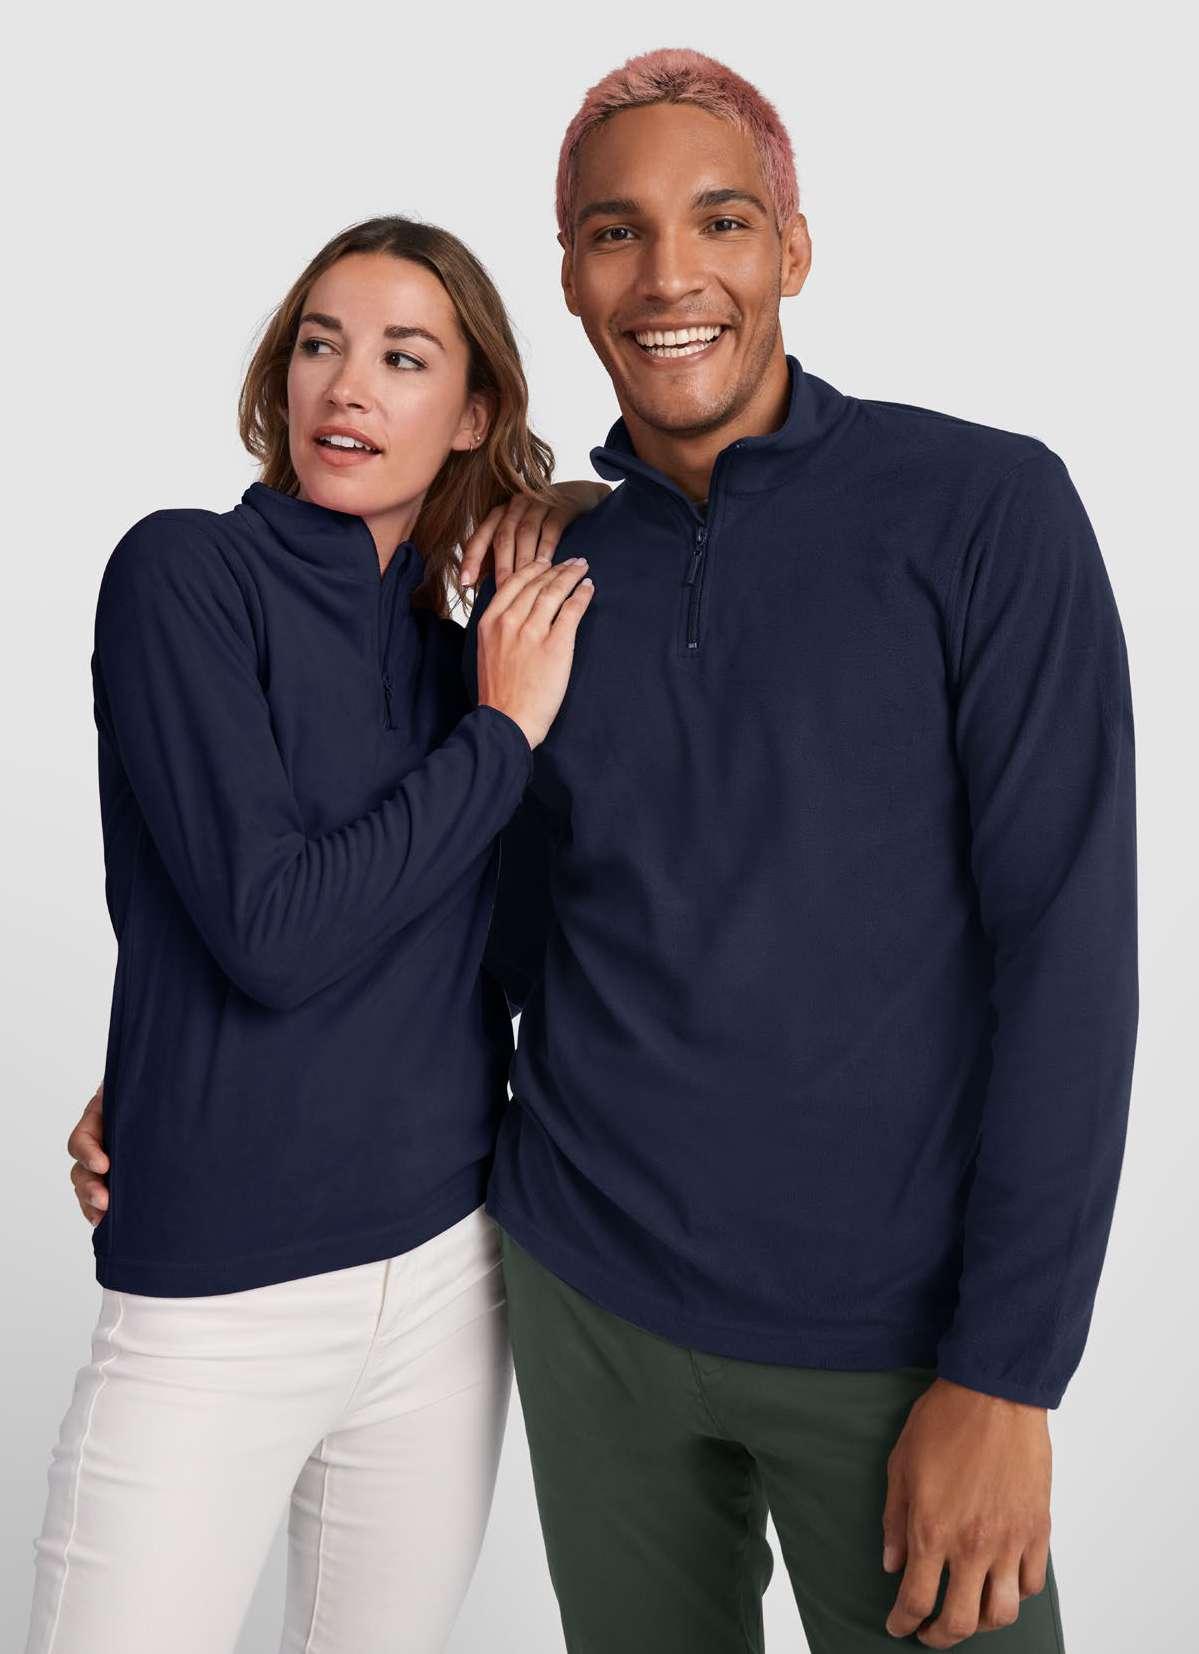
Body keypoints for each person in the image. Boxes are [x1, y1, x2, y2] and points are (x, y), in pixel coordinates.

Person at [455, 48, 1138, 1653]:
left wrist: (1010, 1371)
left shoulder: (986, 511)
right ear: (569, 274)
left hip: (895, 1345)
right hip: (590, 1303)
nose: (669, 275)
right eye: (616, 232)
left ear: (795, 250)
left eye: (722, 220)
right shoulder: (543, 583)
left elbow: (1068, 953)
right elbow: (478, 939)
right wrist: (197, 1070)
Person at [26, 213, 603, 1654]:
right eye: (320, 346)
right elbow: (272, 931)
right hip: (216, 1296)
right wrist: (501, 740)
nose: (346, 387)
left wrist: (587, 508)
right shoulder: (182, 579)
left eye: (404, 358)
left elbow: (496, 957)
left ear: (471, 412)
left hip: (445, 1276)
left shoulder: (465, 647)